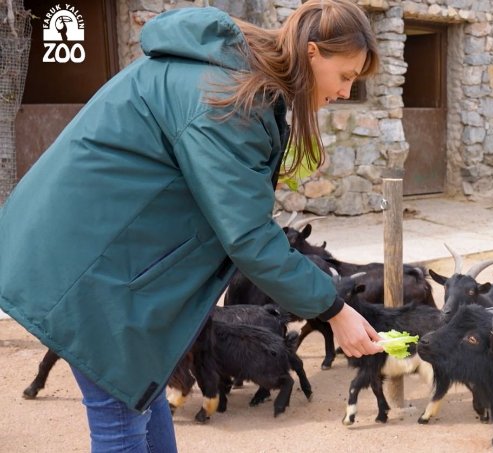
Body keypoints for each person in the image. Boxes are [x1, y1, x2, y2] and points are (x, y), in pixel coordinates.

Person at [0, 1, 383, 451]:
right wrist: (334, 310)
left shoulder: (233, 81)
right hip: (86, 266)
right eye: (346, 76)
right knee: (120, 424)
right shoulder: (228, 99)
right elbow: (249, 237)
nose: (345, 92)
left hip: (108, 255)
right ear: (314, 53)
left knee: (141, 395)